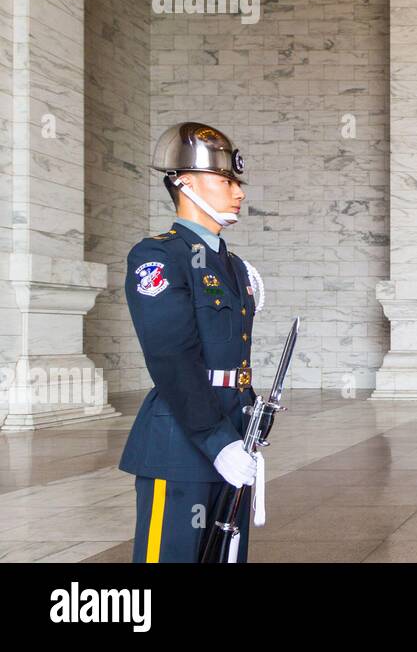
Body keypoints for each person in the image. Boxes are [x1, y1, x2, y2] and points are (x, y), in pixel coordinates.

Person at [119, 122, 264, 562]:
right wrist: (215, 440)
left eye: (236, 182)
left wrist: (240, 433)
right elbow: (172, 358)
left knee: (224, 556)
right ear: (185, 184)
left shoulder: (233, 265)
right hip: (182, 442)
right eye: (225, 181)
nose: (238, 192)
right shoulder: (159, 256)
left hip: (234, 433)